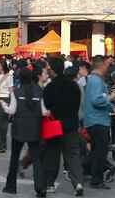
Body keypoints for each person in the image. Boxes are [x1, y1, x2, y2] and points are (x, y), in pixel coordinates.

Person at [1, 68, 50, 197]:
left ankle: (10, 186)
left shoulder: (16, 92)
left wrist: (3, 105)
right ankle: (40, 188)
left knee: (14, 158)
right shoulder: (39, 91)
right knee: (37, 160)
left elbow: (11, 111)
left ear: (20, 79)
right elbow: (44, 112)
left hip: (18, 129)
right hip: (35, 129)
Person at [43, 58, 85, 196]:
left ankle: (50, 184)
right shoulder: (73, 86)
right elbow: (77, 104)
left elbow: (47, 105)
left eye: (49, 68)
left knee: (53, 155)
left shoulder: (49, 87)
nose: (47, 70)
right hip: (71, 125)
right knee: (73, 155)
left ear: (53, 71)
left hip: (55, 125)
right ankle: (78, 183)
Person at [84, 55, 115, 190]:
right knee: (100, 152)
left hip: (94, 120)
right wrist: (110, 97)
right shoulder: (96, 81)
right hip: (98, 121)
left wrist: (112, 107)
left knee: (96, 151)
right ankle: (96, 180)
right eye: (106, 65)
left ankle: (83, 170)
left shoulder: (92, 79)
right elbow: (97, 100)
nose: (107, 68)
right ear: (101, 66)